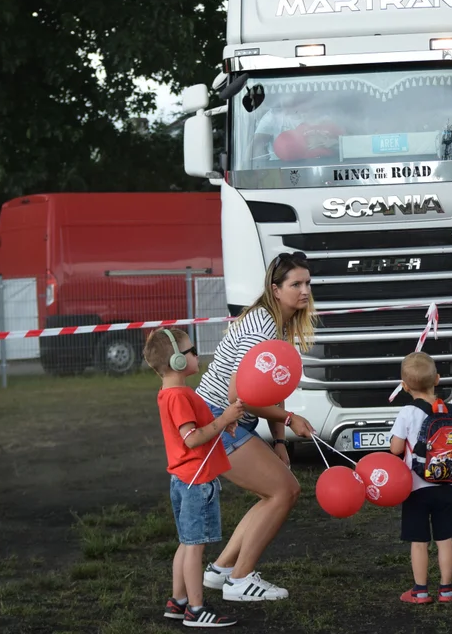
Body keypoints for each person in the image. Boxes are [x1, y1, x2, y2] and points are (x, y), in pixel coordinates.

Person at [195, 251, 317, 601]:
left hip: (228, 419)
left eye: (307, 283)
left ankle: (220, 572)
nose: (305, 290)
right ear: (276, 289)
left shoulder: (278, 324)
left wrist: (280, 442)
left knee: (273, 491)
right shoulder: (262, 326)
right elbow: (240, 395)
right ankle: (240, 579)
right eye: (296, 284)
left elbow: (274, 387)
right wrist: (290, 420)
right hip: (219, 418)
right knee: (285, 491)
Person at [146, 327, 240, 628]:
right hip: (196, 482)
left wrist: (220, 425)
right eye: (191, 351)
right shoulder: (180, 396)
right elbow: (191, 439)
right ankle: (197, 610)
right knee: (195, 545)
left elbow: (195, 429)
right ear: (176, 361)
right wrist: (224, 419)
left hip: (184, 479)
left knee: (187, 543)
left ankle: (179, 602)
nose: (196, 355)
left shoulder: (171, 393)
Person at [388, 352, 452, 604]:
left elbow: (396, 449)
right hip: (447, 484)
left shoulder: (407, 412)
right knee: (445, 539)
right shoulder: (449, 410)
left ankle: (420, 591)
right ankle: (447, 589)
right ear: (437, 379)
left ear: (405, 386)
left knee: (419, 541)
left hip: (416, 487)